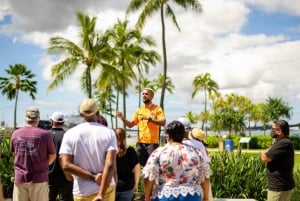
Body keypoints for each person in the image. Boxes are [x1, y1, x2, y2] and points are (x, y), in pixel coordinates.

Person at [59, 98, 117, 201]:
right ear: (98, 113)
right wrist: (101, 194)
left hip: (82, 190)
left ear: (81, 114)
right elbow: (110, 165)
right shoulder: (109, 133)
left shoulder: (70, 133)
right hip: (106, 189)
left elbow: (65, 165)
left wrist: (92, 177)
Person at [143, 120, 206, 201]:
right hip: (192, 195)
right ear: (183, 135)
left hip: (165, 195)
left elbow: (149, 175)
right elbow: (204, 174)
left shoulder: (159, 152)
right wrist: (206, 196)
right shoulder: (195, 151)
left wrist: (147, 196)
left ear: (168, 136)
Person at [10, 107, 56, 201]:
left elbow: (15, 154)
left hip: (20, 179)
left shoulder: (15, 134)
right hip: (39, 179)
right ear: (38, 119)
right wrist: (44, 165)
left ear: (25, 118)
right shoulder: (45, 135)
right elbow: (53, 155)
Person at [116, 88, 166, 166]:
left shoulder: (157, 109)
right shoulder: (139, 110)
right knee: (138, 166)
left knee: (152, 166)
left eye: (146, 94)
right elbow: (130, 124)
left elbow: (163, 122)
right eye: (143, 94)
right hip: (140, 144)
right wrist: (122, 118)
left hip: (152, 144)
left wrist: (150, 119)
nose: (144, 95)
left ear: (151, 97)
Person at [177, 117, 212, 201]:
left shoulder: (170, 146)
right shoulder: (199, 145)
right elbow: (205, 172)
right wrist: (207, 197)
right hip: (194, 189)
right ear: (189, 130)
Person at [261, 119, 295, 201]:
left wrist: (262, 152)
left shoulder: (284, 143)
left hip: (279, 188)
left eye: (273, 129)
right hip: (278, 187)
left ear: (279, 131)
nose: (271, 131)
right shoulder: (279, 142)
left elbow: (265, 157)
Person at [48, 112, 73, 201]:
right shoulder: (68, 135)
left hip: (49, 175)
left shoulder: (46, 135)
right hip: (66, 176)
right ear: (63, 122)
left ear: (52, 121)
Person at [114, 128, 140, 201]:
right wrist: (136, 184)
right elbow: (137, 169)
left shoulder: (110, 151)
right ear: (125, 137)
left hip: (112, 186)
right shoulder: (130, 151)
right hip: (127, 187)